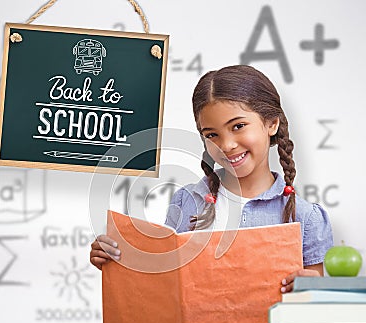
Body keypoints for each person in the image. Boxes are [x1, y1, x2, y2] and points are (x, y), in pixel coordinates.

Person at [90, 65, 333, 293]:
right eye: (212, 134)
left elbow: (311, 313)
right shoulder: (187, 201)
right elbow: (165, 284)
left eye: (238, 126)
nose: (226, 145)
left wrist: (314, 289)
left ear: (271, 124)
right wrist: (116, 259)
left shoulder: (307, 218)